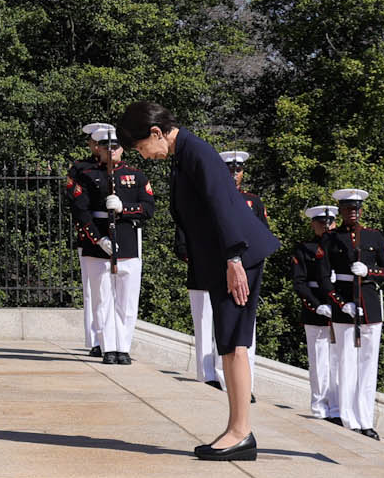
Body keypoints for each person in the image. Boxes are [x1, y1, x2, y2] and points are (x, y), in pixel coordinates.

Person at [121, 104, 278, 459]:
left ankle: (241, 432)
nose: (143, 155)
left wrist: (234, 259)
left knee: (234, 342)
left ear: (157, 133)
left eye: (141, 146)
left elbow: (222, 205)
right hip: (227, 257)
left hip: (238, 256)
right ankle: (237, 429)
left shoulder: (196, 153)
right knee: (228, 341)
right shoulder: (184, 153)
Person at [65, 122, 151, 366]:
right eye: (106, 146)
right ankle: (107, 347)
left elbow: (148, 208)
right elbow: (80, 211)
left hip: (127, 242)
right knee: (102, 300)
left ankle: (123, 347)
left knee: (127, 301)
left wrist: (125, 208)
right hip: (98, 243)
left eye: (116, 146)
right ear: (98, 148)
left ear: (122, 149)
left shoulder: (135, 176)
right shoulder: (87, 175)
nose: (111, 150)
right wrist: (98, 239)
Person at [324, 189, 384, 438]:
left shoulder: (375, 237)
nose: (352, 212)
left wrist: (370, 271)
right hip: (345, 307)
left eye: (356, 209)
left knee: (367, 366)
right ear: (341, 211)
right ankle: (348, 417)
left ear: (361, 211)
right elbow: (324, 277)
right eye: (347, 208)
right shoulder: (331, 238)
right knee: (346, 364)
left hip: (371, 307)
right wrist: (340, 303)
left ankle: (365, 420)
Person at [192, 152, 261, 386]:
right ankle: (217, 376)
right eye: (230, 170)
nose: (234, 175)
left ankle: (243, 382)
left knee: (244, 328)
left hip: (247, 269)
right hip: (218, 266)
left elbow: (262, 236)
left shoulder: (252, 202)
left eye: (238, 170)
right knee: (218, 324)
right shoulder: (209, 199)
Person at [291, 206, 342, 421]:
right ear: (313, 224)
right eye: (321, 223)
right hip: (316, 309)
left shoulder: (342, 247)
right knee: (320, 361)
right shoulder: (304, 249)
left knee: (340, 363)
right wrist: (316, 305)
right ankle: (321, 406)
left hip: (341, 310)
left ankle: (339, 408)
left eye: (329, 223)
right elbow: (299, 283)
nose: (326, 226)